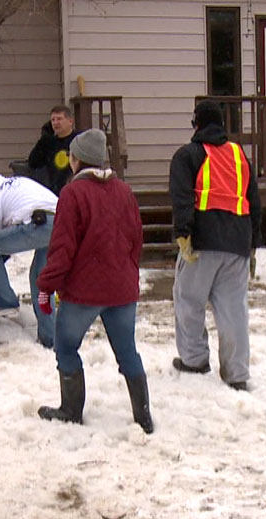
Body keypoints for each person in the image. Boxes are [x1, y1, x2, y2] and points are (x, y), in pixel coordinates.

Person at [35, 129, 152, 434]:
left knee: (66, 347)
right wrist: (127, 272)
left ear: (76, 159)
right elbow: (136, 240)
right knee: (127, 351)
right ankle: (143, 417)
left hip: (83, 292)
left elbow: (62, 248)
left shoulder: (72, 194)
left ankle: (71, 411)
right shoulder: (124, 191)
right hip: (122, 288)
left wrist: (46, 286)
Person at [168, 100, 263, 390]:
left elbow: (182, 197)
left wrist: (183, 233)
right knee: (233, 309)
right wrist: (253, 244)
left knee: (189, 300)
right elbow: (254, 201)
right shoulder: (239, 156)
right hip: (237, 242)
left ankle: (194, 359)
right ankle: (236, 374)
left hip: (201, 241)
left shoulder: (188, 155)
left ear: (196, 123)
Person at [0, 167, 58, 348]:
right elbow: (4, 244)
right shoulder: (10, 185)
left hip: (38, 224)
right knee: (41, 281)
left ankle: (5, 303)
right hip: (62, 222)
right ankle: (50, 340)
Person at [27, 104, 78, 195]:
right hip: (54, 191)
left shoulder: (78, 140)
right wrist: (43, 140)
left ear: (70, 121)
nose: (55, 123)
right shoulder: (49, 142)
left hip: (74, 189)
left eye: (59, 119)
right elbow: (33, 163)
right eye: (53, 120)